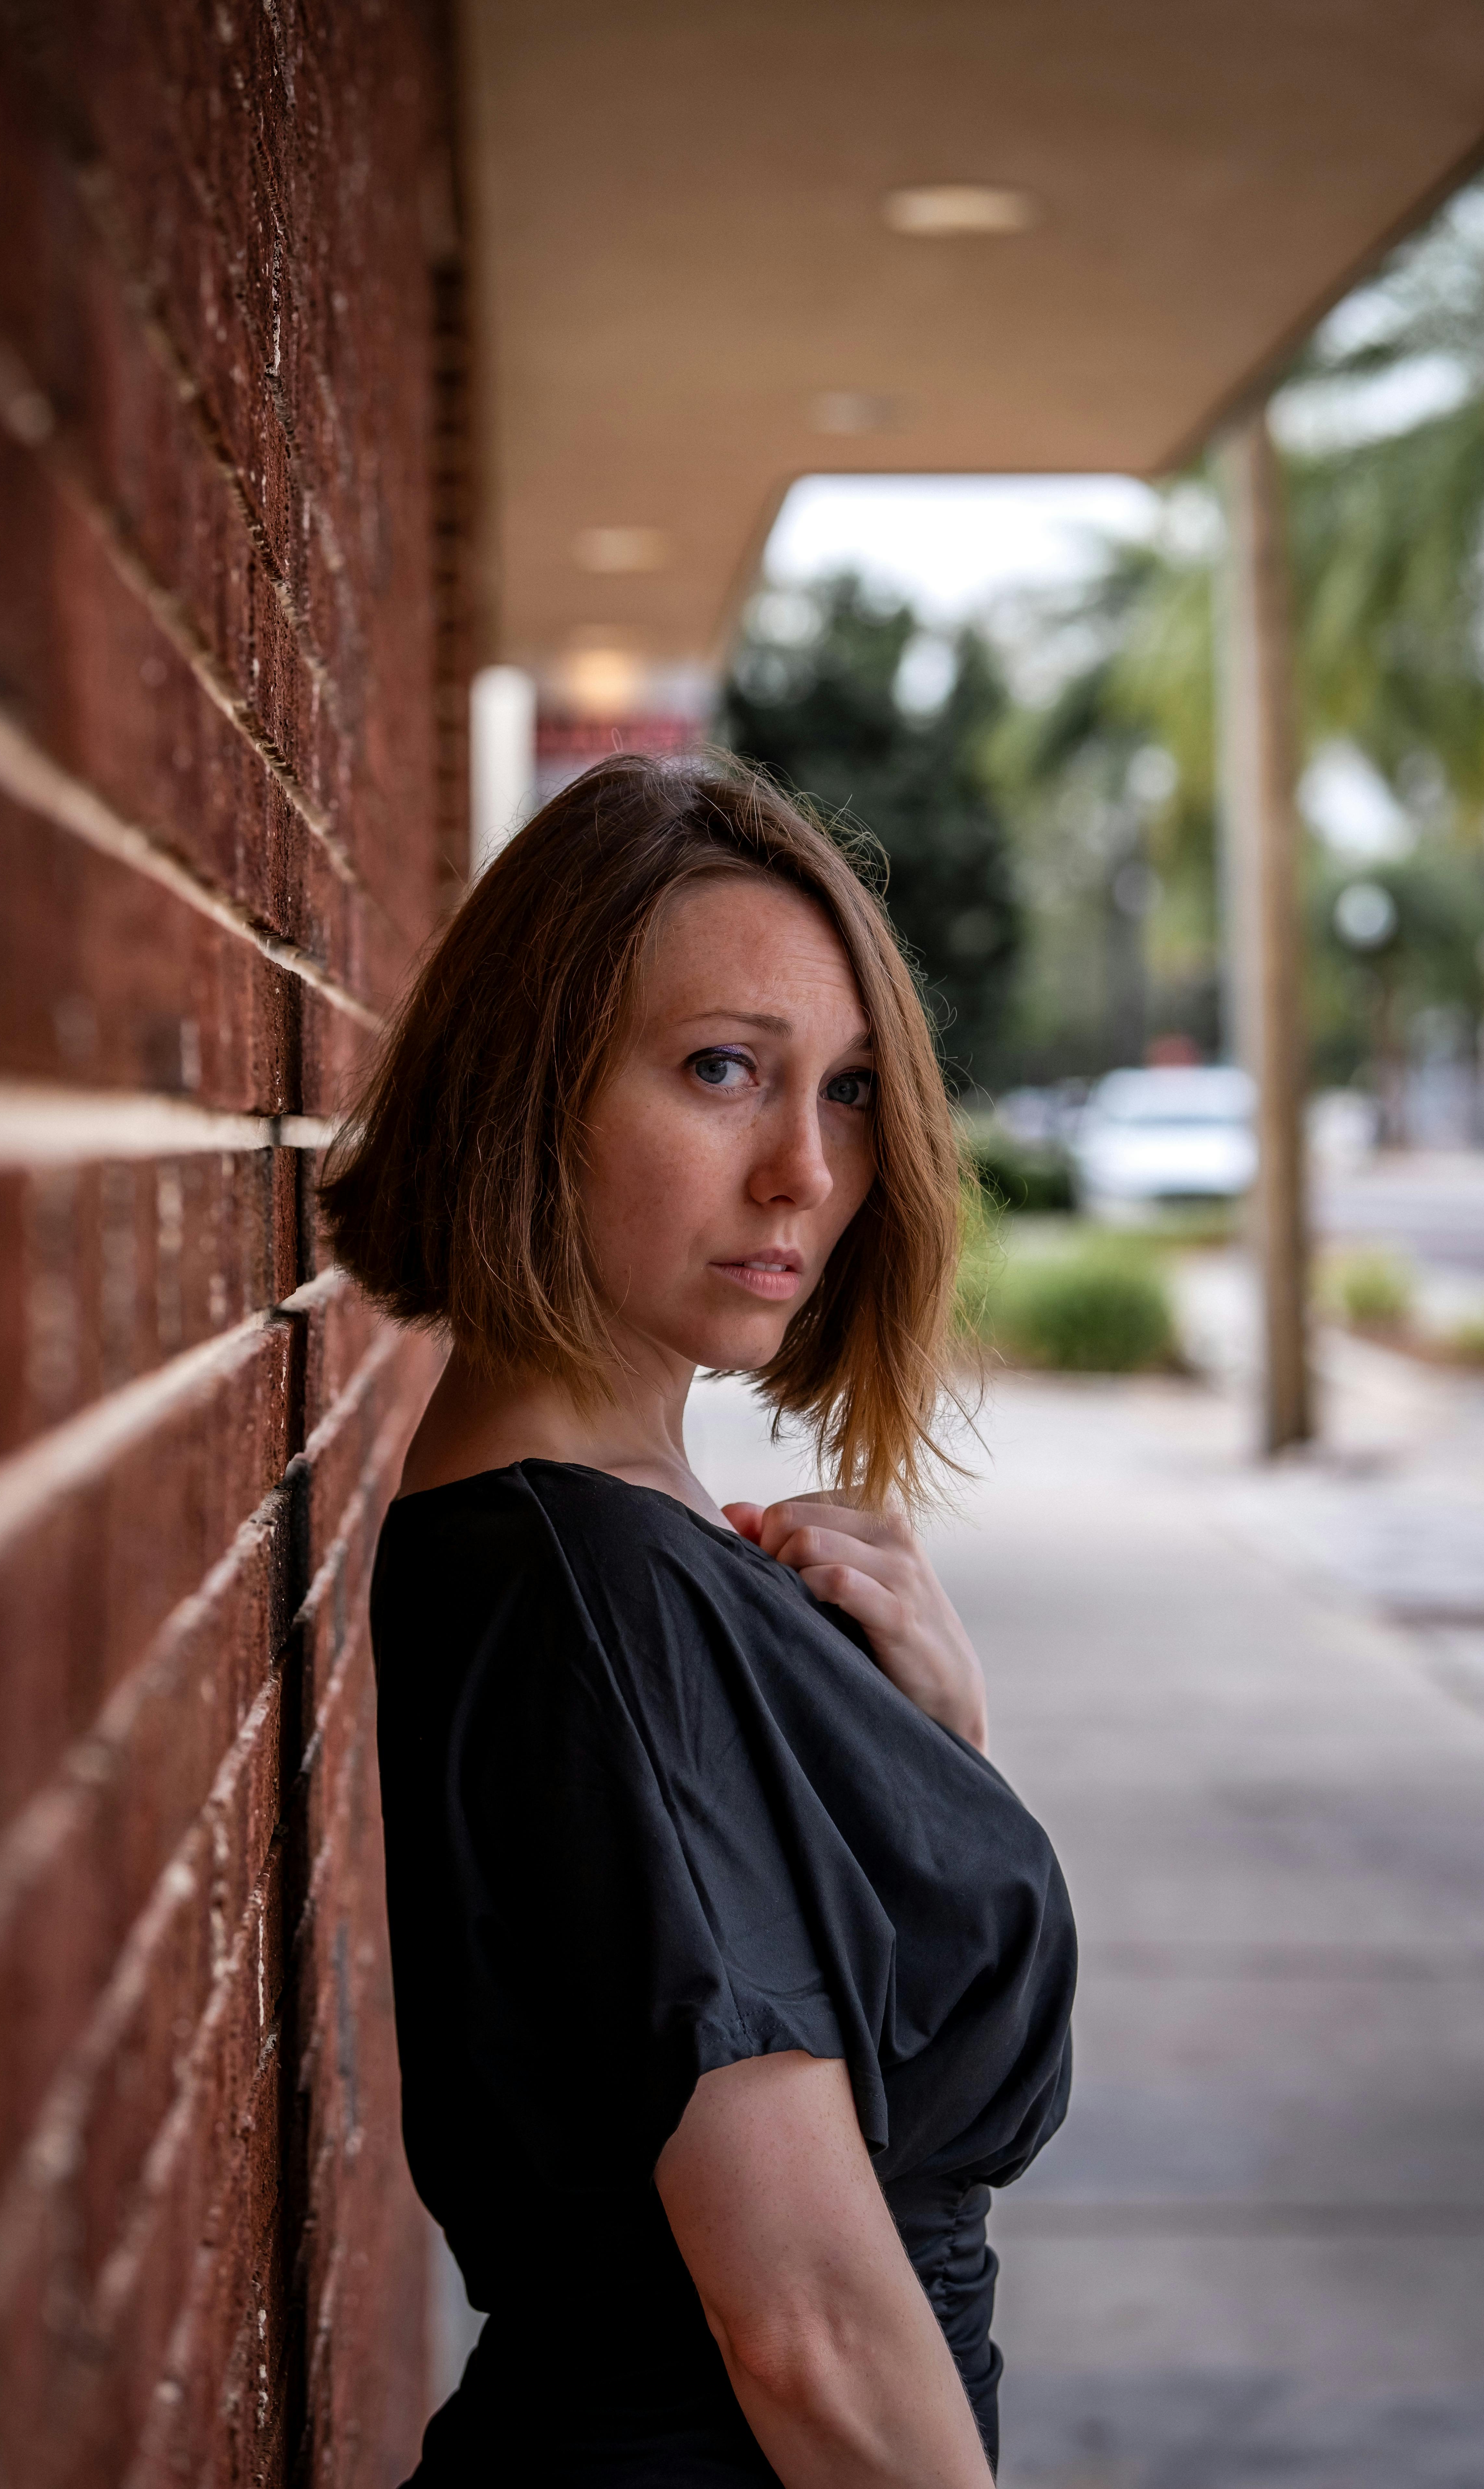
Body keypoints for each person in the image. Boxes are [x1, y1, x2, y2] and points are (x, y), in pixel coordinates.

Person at [321, 754, 1075, 2487]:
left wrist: (922, 1748)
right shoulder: (593, 1595)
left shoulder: (631, 1553)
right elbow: (804, 2333)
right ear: (530, 1096)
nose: (807, 1170)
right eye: (724, 1070)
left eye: (856, 1089)